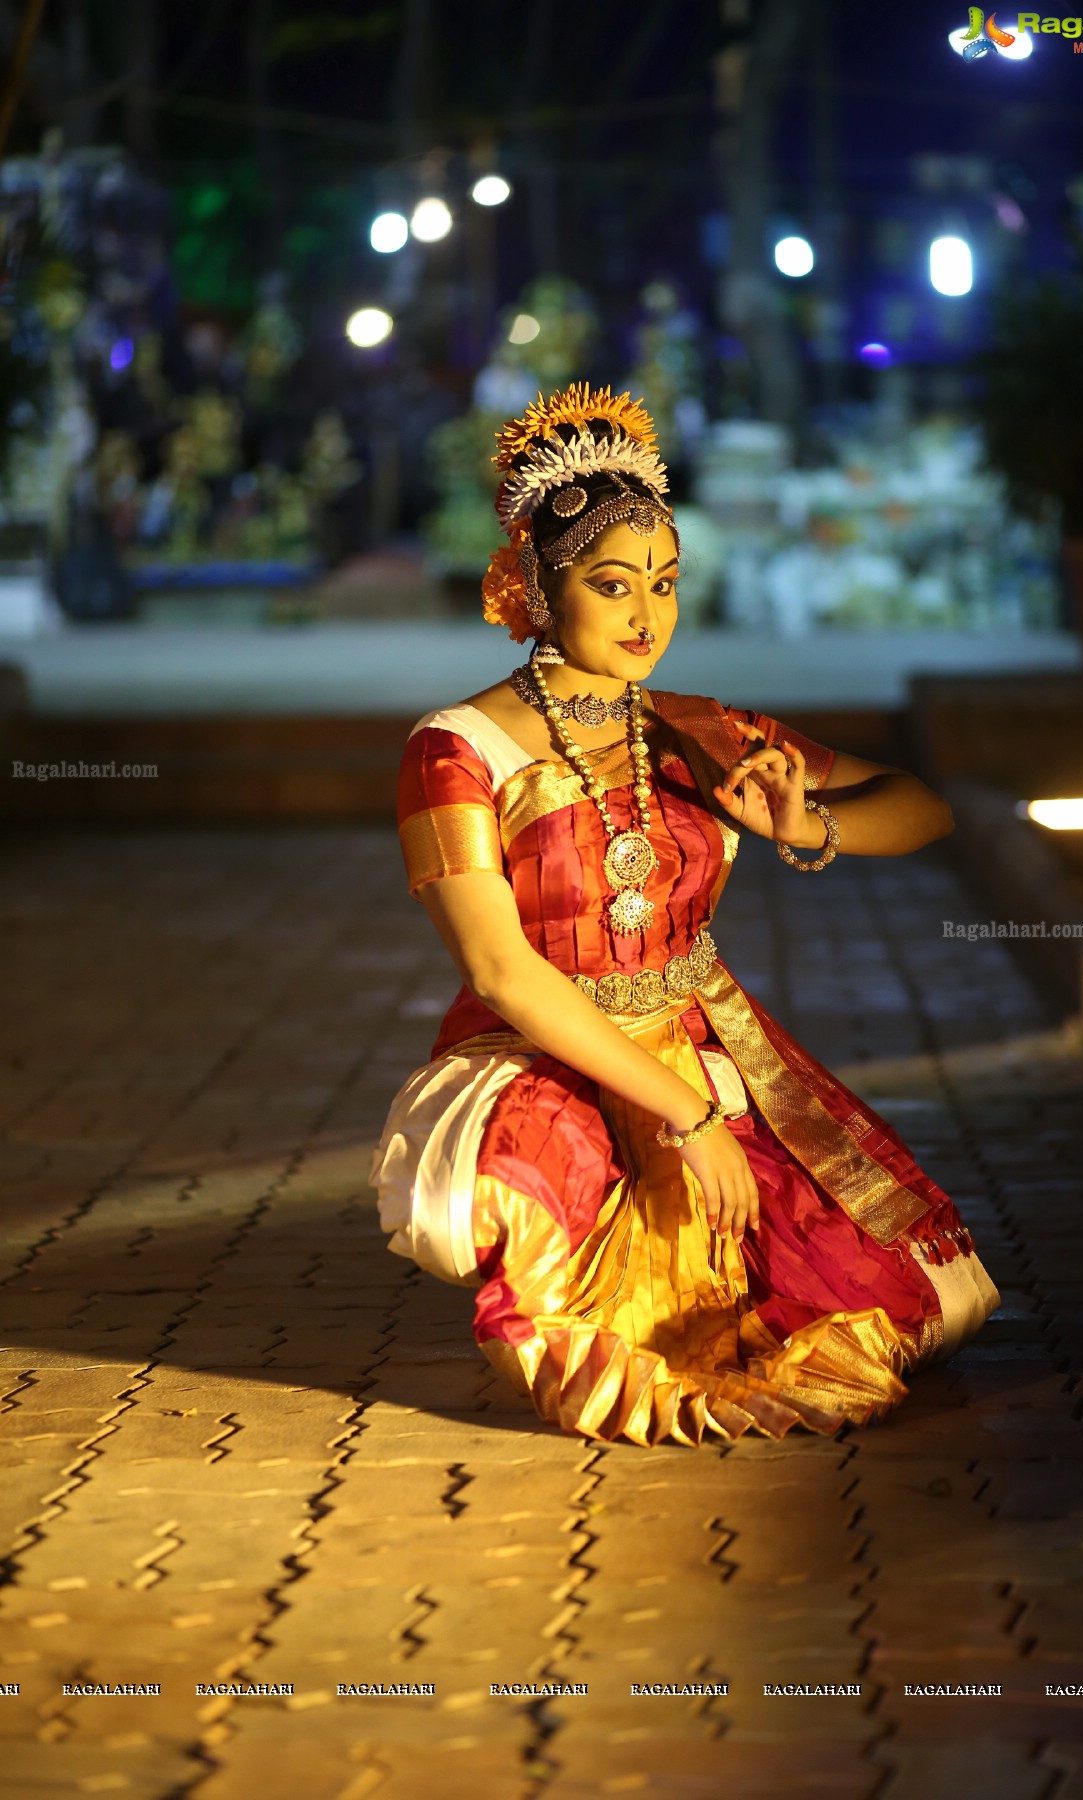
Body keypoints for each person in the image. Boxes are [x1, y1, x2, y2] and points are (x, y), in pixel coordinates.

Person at [370, 384, 999, 1446]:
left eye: (665, 584)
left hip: (706, 1035)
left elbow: (924, 807)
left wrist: (813, 827)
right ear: (537, 582)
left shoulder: (700, 729)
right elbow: (503, 973)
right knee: (506, 1189)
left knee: (898, 1297)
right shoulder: (459, 751)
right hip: (546, 1051)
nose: (647, 617)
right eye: (614, 585)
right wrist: (690, 1118)